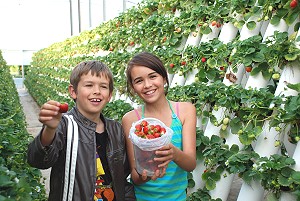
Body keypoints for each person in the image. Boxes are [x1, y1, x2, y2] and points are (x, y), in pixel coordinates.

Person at [27, 60, 136, 201]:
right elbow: (38, 161)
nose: (96, 91)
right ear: (73, 91)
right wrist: (49, 129)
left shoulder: (115, 129)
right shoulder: (65, 125)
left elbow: (122, 178)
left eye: (103, 86)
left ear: (109, 95)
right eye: (89, 85)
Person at [122, 52, 197, 201]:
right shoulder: (131, 120)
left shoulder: (184, 111)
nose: (147, 85)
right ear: (133, 87)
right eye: (139, 81)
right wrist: (147, 174)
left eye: (153, 76)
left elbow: (190, 164)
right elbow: (136, 176)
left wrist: (174, 154)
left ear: (164, 77)